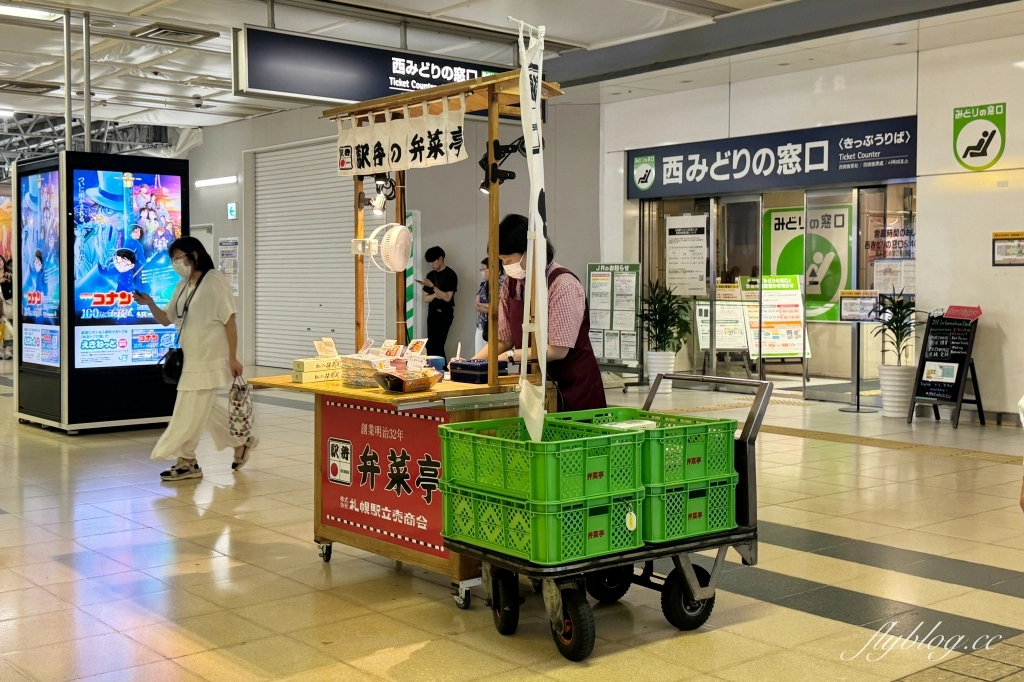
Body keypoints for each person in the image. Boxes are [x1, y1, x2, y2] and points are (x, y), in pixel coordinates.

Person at [134, 237, 256, 481]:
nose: (175, 263)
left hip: (210, 358)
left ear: (194, 255)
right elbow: (166, 319)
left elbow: (229, 320)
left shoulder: (214, 281)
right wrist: (150, 304)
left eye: (179, 258)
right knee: (205, 410)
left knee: (187, 412)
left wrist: (233, 358)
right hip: (191, 357)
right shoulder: (182, 285)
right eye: (172, 260)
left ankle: (187, 460)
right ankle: (242, 441)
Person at [471, 214, 606, 412]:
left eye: (509, 259)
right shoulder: (512, 284)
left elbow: (557, 350)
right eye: (502, 261)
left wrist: (505, 357)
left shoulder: (563, 285)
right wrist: (471, 363)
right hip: (533, 385)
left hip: (572, 389)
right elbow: (504, 339)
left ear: (531, 251)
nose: (506, 266)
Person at [420, 246, 457, 359]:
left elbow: (447, 298)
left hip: (444, 313)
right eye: (429, 262)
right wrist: (436, 295)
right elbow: (426, 299)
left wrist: (432, 286)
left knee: (438, 345)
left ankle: (443, 370)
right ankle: (435, 370)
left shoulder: (450, 275)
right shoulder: (430, 275)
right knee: (430, 345)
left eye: (433, 261)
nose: (431, 264)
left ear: (441, 258)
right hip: (432, 312)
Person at [474, 257, 501, 354]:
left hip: (495, 326)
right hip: (481, 324)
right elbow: (477, 305)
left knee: (492, 355)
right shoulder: (483, 285)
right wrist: (488, 307)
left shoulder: (501, 284)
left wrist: (488, 308)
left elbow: (499, 306)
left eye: (484, 269)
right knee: (479, 354)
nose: (482, 272)